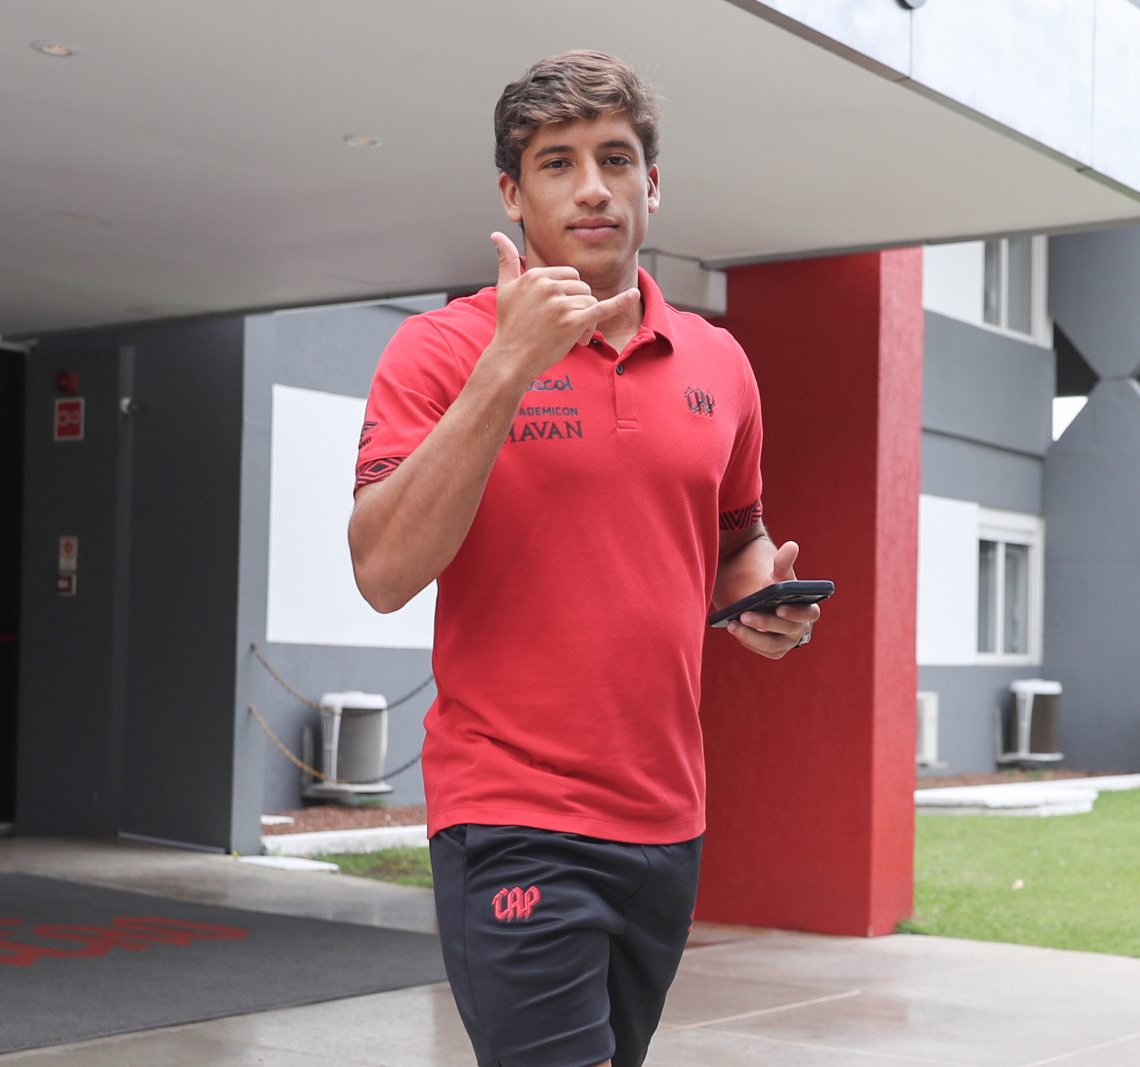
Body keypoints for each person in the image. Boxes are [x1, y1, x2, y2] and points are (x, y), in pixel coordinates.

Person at [348, 51, 821, 1067]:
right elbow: (382, 571)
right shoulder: (439, 351)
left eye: (615, 158)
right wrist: (508, 367)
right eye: (556, 163)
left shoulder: (721, 363)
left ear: (653, 183)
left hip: (666, 818)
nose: (593, 187)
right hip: (509, 811)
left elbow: (734, 536)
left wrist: (761, 597)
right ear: (512, 195)